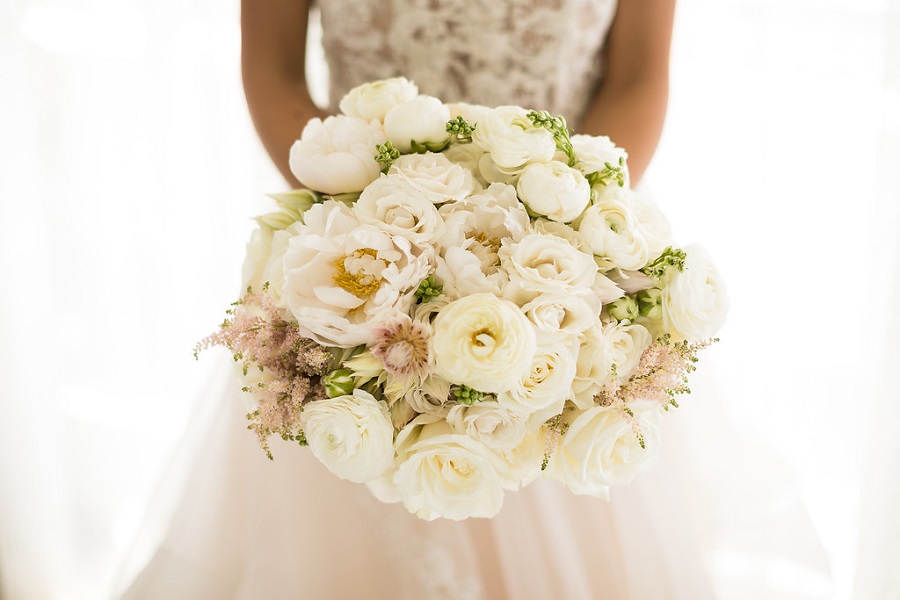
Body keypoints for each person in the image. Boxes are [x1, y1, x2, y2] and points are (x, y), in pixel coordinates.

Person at [120, 1, 720, 598]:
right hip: (360, 261)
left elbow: (638, 77)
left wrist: (569, 234)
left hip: (566, 266)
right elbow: (272, 72)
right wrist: (367, 228)